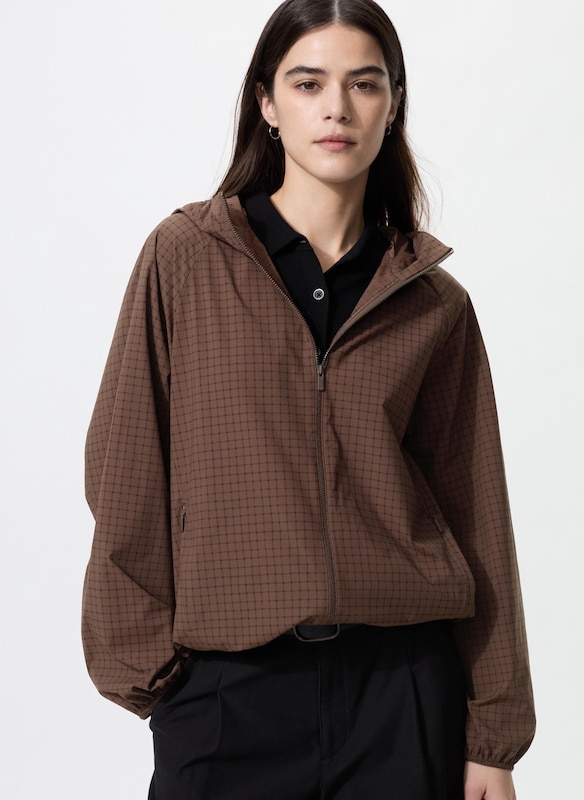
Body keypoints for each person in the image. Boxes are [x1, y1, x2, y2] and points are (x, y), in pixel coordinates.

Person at [82, 1, 535, 798]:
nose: (336, 108)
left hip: (402, 691)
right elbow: (127, 472)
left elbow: (478, 517)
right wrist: (155, 676)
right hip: (228, 692)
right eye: (308, 83)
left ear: (393, 104)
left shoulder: (432, 302)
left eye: (364, 84)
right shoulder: (185, 260)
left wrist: (493, 736)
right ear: (267, 103)